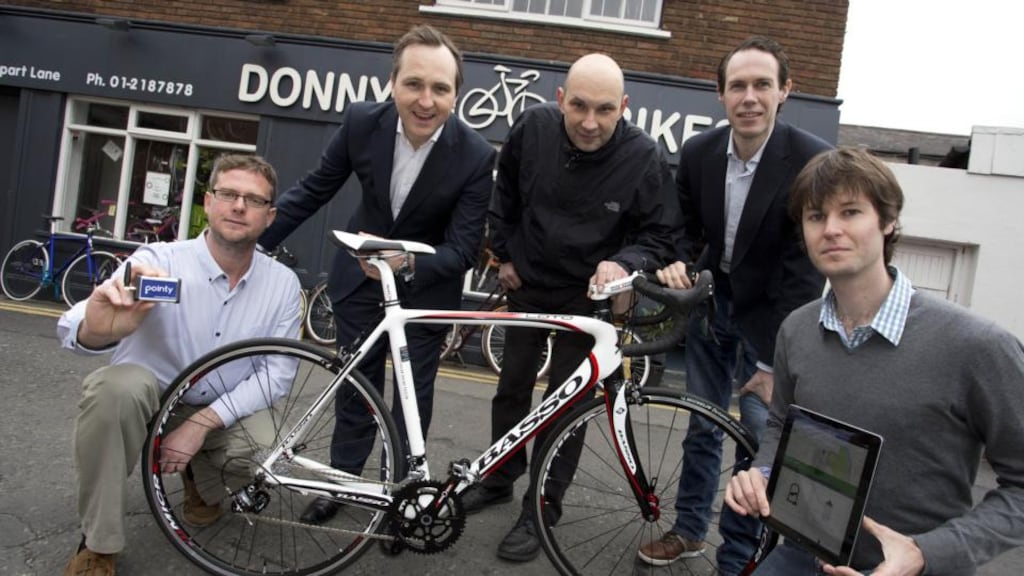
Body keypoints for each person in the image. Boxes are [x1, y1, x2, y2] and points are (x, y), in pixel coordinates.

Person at [725, 147, 1024, 575]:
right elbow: (780, 424)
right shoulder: (796, 330)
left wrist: (927, 553)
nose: (831, 230)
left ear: (888, 220)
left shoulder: (978, 346)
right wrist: (762, 471)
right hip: (800, 558)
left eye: (850, 212)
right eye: (815, 217)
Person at [256, 24, 496, 524]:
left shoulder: (475, 155)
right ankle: (344, 483)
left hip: (426, 291)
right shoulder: (362, 122)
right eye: (414, 84)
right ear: (393, 82)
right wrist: (254, 242)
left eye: (440, 88)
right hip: (359, 283)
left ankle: (402, 495)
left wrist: (407, 263)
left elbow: (463, 250)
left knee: (413, 399)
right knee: (355, 388)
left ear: (457, 94)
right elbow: (315, 188)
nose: (425, 100)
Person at [461, 52, 678, 562]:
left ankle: (543, 506)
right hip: (529, 282)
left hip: (588, 296)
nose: (589, 122)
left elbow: (660, 234)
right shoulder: (532, 128)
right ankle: (499, 477)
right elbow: (505, 193)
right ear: (559, 99)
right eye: (578, 106)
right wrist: (504, 253)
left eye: (605, 110)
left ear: (624, 107)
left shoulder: (645, 156)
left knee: (568, 405)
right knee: (511, 387)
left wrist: (622, 261)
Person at [639, 37, 832, 573]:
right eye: (738, 86)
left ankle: (741, 554)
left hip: (771, 324)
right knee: (702, 427)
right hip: (713, 310)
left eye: (762, 85)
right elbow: (685, 230)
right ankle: (689, 531)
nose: (750, 97)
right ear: (721, 95)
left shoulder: (813, 160)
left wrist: (774, 363)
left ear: (785, 91)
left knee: (758, 442)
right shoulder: (700, 153)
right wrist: (678, 262)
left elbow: (803, 273)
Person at [58, 154, 302, 576]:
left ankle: (199, 481)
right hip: (148, 401)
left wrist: (200, 423)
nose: (239, 206)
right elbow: (75, 324)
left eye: (254, 199)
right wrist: (100, 327)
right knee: (113, 391)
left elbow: (275, 375)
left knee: (264, 443)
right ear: (208, 202)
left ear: (270, 215)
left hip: (217, 411)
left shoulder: (283, 285)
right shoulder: (160, 261)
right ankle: (98, 543)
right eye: (228, 194)